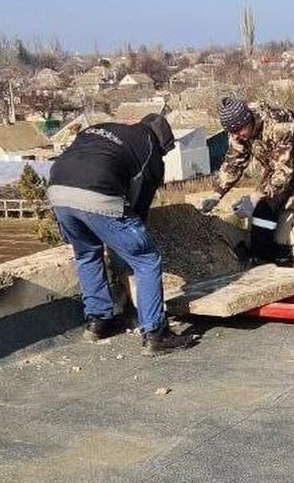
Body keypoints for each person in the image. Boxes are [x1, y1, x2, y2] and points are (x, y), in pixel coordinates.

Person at [47, 113, 196, 356]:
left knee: (87, 253)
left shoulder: (101, 128)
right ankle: (155, 333)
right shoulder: (151, 150)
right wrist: (130, 244)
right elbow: (139, 210)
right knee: (147, 258)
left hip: (58, 190)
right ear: (163, 142)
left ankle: (98, 322)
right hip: (97, 192)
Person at [200, 98, 294, 264]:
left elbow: (283, 173)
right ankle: (263, 258)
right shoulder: (239, 132)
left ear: (247, 120)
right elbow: (234, 162)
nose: (237, 136)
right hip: (282, 163)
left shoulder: (279, 125)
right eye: (232, 132)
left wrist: (254, 197)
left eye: (238, 130)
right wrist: (216, 194)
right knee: (264, 208)